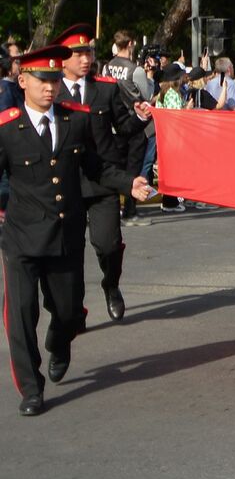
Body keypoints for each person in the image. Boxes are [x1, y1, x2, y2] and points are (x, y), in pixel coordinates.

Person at [1, 45, 154, 415]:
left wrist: (127, 183)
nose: (50, 87)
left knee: (69, 313)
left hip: (65, 234)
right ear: (23, 81)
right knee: (21, 315)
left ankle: (60, 341)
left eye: (54, 79)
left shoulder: (75, 120)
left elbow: (96, 167)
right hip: (21, 236)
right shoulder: (6, 127)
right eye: (42, 80)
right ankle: (32, 389)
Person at [53, 24, 151, 320]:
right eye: (78, 53)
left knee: (108, 243)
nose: (85, 58)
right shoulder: (51, 91)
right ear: (63, 59)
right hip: (68, 182)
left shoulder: (105, 88)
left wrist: (138, 116)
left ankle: (111, 284)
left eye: (89, 52)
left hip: (104, 176)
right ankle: (75, 307)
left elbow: (123, 127)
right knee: (69, 251)